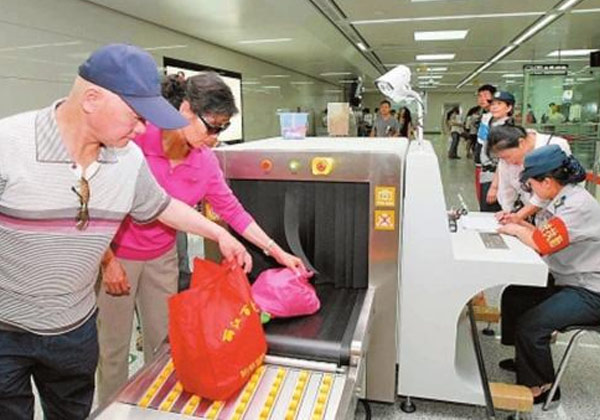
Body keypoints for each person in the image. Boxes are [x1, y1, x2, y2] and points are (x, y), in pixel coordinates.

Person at [0, 44, 251, 420]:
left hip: (75, 331)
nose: (142, 129)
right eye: (135, 116)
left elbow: (164, 207)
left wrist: (221, 235)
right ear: (91, 98)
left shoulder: (127, 159)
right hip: (7, 331)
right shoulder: (8, 145)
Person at [96, 73, 307, 405]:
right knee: (113, 349)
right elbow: (98, 204)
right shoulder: (135, 143)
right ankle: (110, 409)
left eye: (222, 129)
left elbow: (234, 211)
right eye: (212, 127)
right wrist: (107, 261)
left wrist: (277, 252)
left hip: (162, 256)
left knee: (163, 343)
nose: (216, 138)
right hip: (117, 253)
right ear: (184, 109)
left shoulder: (204, 162)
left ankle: (154, 407)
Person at [498, 145, 599, 404]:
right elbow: (547, 232)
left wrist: (516, 230)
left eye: (531, 184)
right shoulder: (560, 196)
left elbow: (542, 242)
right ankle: (526, 360)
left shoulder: (578, 205)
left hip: (590, 290)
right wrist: (521, 223)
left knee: (532, 325)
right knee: (514, 296)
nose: (531, 190)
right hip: (567, 279)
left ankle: (543, 387)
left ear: (547, 181)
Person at [487, 125, 570, 224]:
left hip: (562, 213)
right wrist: (507, 211)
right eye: (503, 159)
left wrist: (518, 216)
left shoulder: (555, 146)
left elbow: (547, 190)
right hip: (535, 216)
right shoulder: (506, 154)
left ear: (521, 143)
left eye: (508, 157)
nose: (509, 161)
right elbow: (506, 187)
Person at [477, 90, 514, 212]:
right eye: (492, 104)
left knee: (491, 214)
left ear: (509, 108)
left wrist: (494, 187)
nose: (494, 107)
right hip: (487, 175)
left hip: (496, 178)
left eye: (499, 104)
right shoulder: (494, 125)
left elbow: (504, 160)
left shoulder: (507, 130)